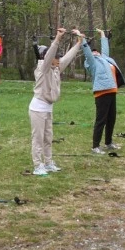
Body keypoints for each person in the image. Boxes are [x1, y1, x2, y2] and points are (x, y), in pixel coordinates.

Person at [29, 28, 83, 175]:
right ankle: (37, 165)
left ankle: (48, 162)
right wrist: (57, 39)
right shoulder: (43, 68)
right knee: (38, 138)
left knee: (48, 138)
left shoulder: (56, 68)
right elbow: (49, 56)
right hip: (38, 108)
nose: (59, 59)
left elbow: (68, 57)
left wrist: (79, 42)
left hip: (48, 108)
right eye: (56, 56)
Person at [82, 28, 125, 153]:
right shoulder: (92, 63)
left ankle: (108, 142)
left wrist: (102, 35)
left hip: (112, 91)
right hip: (102, 92)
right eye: (94, 52)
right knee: (101, 120)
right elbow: (87, 52)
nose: (96, 53)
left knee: (111, 119)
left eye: (97, 52)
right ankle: (95, 146)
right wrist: (82, 40)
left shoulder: (105, 59)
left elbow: (105, 49)